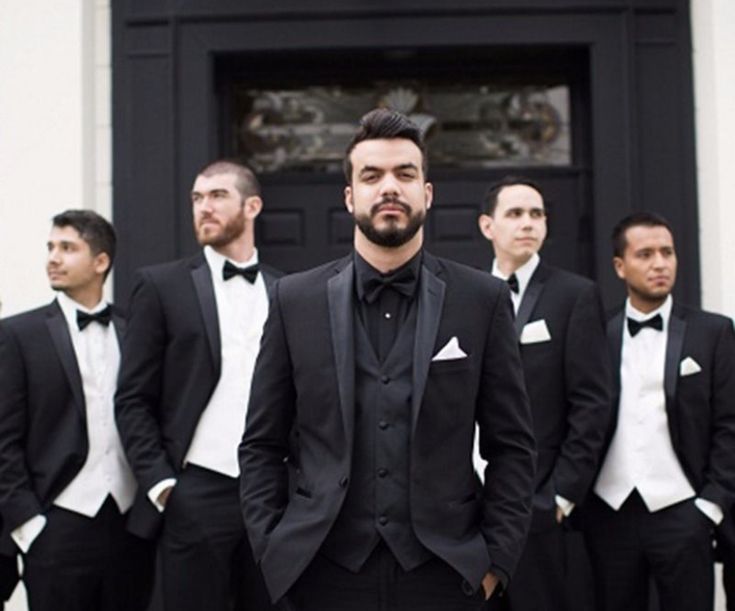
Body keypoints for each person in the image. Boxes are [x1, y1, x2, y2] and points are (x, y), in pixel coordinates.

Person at [239, 108, 536, 611]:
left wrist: (495, 562)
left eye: (406, 173)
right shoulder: (295, 299)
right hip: (322, 574)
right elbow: (262, 444)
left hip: (446, 575)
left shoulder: (481, 299)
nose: (389, 187)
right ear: (351, 196)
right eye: (372, 176)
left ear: (428, 193)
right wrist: (274, 550)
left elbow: (512, 446)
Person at [115, 160, 280, 611]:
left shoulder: (286, 290)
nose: (203, 208)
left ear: (252, 206)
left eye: (217, 196)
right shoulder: (160, 286)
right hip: (195, 491)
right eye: (196, 198)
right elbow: (132, 398)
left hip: (271, 494)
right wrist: (162, 484)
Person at [0, 210, 153, 611]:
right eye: (51, 247)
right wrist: (28, 523)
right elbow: (4, 439)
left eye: (68, 248)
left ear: (100, 262)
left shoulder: (133, 328)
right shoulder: (18, 335)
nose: (53, 257)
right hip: (56, 523)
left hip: (128, 525)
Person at [584, 211, 735, 611]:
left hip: (684, 512)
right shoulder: (597, 334)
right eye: (645, 254)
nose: (659, 264)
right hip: (609, 513)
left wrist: (710, 506)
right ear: (620, 266)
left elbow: (730, 423)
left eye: (667, 252)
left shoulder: (713, 332)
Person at [477, 177, 611, 611]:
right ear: (487, 226)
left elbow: (592, 402)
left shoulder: (575, 296)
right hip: (468, 506)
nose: (528, 223)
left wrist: (561, 495)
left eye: (536, 214)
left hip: (539, 505)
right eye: (514, 214)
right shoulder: (467, 296)